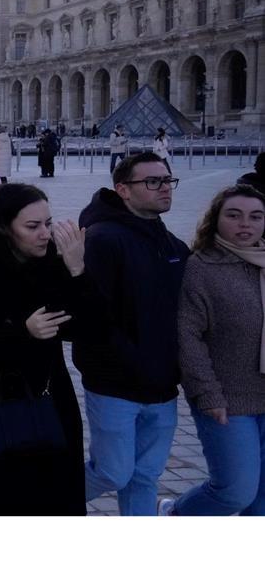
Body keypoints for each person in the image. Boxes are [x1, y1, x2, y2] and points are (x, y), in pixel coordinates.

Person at [0, 184, 98, 515]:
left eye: (48, 223)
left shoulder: (53, 268)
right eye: (32, 226)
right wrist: (22, 333)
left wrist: (78, 272)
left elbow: (89, 327)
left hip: (51, 402)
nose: (45, 234)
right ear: (4, 226)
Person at [77, 152, 191, 515]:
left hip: (162, 388)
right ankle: (31, 502)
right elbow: (93, 317)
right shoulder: (102, 240)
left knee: (144, 477)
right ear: (123, 189)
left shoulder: (174, 246)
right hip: (115, 385)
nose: (164, 189)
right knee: (112, 472)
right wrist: (127, 360)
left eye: (167, 181)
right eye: (152, 182)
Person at [159, 185, 265, 516]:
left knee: (261, 502)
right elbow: (188, 337)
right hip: (228, 399)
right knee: (235, 492)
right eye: (234, 215)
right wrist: (208, 395)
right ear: (215, 219)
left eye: (256, 217)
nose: (245, 224)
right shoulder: (201, 268)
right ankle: (175, 513)